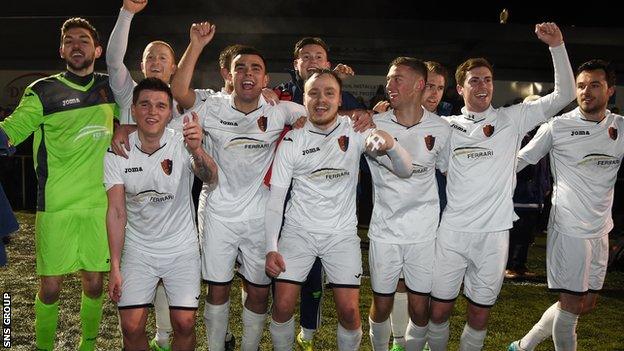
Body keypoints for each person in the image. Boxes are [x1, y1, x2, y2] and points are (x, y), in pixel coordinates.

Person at [428, 22, 575, 351]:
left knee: (479, 316)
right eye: (474, 80)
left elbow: (565, 95)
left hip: (494, 236)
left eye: (487, 79)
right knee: (438, 312)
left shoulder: (512, 118)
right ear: (460, 88)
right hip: (452, 233)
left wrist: (557, 46)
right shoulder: (444, 127)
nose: (482, 85)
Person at [170, 21, 312, 351]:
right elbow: (178, 92)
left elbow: (324, 117)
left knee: (259, 291)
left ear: (265, 80)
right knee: (217, 289)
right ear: (229, 76)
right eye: (240, 68)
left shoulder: (281, 110)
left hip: (261, 216)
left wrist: (365, 116)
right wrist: (195, 44)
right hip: (218, 212)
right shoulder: (211, 106)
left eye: (256, 68)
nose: (248, 73)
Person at [265, 69, 413, 351]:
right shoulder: (292, 141)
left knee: (349, 313)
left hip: (341, 236)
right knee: (282, 306)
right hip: (298, 232)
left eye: (329, 93)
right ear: (304, 98)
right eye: (314, 93)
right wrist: (271, 247)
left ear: (339, 98)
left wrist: (390, 145)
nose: (321, 100)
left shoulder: (355, 132)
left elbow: (405, 170)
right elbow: (276, 200)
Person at [0, 17, 117, 350]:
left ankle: (88, 345)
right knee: (50, 287)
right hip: (55, 206)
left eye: (83, 39)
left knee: (94, 284)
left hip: (99, 205)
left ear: (97, 49)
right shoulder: (41, 91)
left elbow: (149, 112)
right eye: (69, 40)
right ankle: (44, 347)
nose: (76, 45)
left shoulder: (113, 88)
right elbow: (11, 130)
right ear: (61, 49)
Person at [508, 59, 623, 351]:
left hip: (601, 229)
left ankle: (523, 346)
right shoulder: (558, 126)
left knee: (586, 303)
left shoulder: (620, 128)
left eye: (594, 85)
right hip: (569, 227)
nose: (586, 91)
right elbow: (520, 160)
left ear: (610, 90)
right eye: (581, 86)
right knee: (571, 306)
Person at [105, 77, 217, 351]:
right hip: (139, 249)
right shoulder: (117, 151)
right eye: (144, 104)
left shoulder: (181, 142)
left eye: (160, 105)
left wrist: (197, 149)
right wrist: (115, 266)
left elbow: (211, 176)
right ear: (133, 110)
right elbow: (117, 212)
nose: (152, 111)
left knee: (185, 324)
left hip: (181, 249)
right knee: (131, 326)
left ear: (170, 113)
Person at [273, 36, 368, 350]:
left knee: (338, 299)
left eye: (319, 56)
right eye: (305, 56)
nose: (312, 60)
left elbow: (367, 124)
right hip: (291, 208)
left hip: (337, 221)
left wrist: (370, 115)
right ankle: (299, 335)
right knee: (283, 296)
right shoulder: (279, 96)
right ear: (296, 64)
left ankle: (309, 333)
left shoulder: (348, 105)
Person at [366, 57, 450, 351]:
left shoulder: (441, 129)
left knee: (420, 309)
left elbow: (448, 171)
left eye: (398, 78)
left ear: (418, 85)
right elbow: (400, 168)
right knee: (382, 304)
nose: (390, 85)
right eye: (389, 78)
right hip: (384, 232)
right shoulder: (373, 123)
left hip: (423, 233)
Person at [505, 95, 551, 280]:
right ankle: (508, 266)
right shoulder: (519, 135)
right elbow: (517, 166)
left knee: (526, 236)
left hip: (534, 197)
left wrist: (545, 184)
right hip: (519, 196)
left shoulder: (543, 133)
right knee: (514, 234)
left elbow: (544, 166)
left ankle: (520, 266)